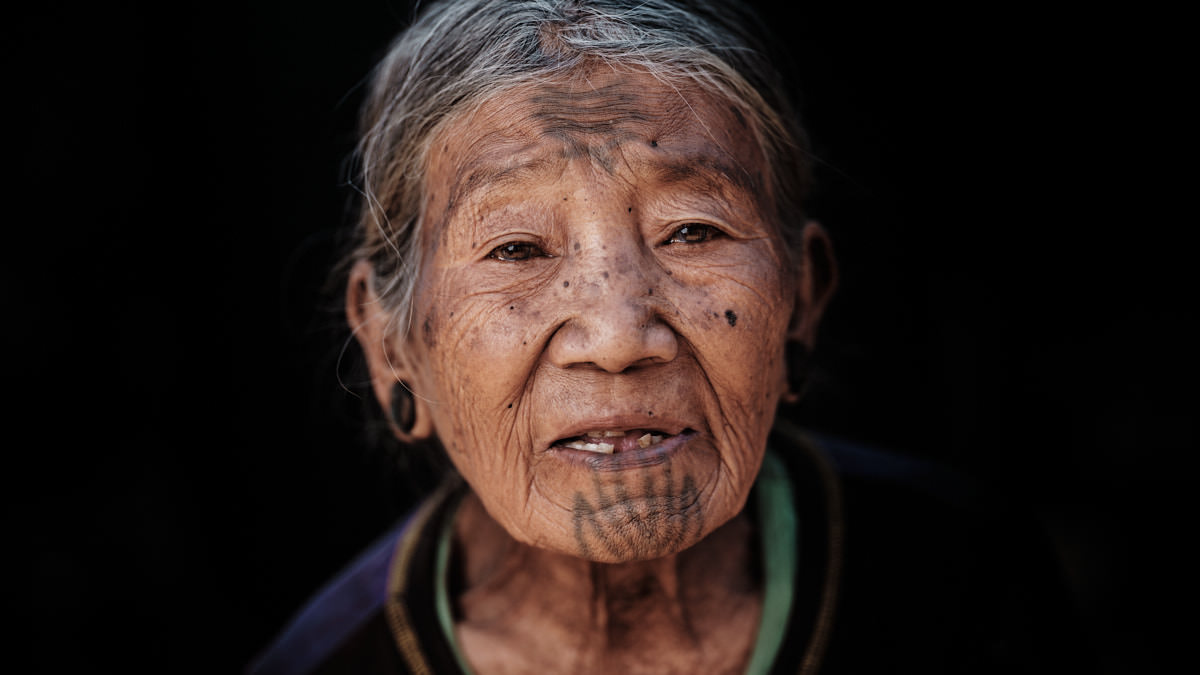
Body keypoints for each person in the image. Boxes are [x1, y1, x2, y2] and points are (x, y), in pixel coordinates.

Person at [250, 1, 1088, 672]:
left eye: (691, 231)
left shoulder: (963, 583)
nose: (618, 336)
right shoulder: (329, 660)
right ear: (390, 342)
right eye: (517, 248)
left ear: (801, 298)